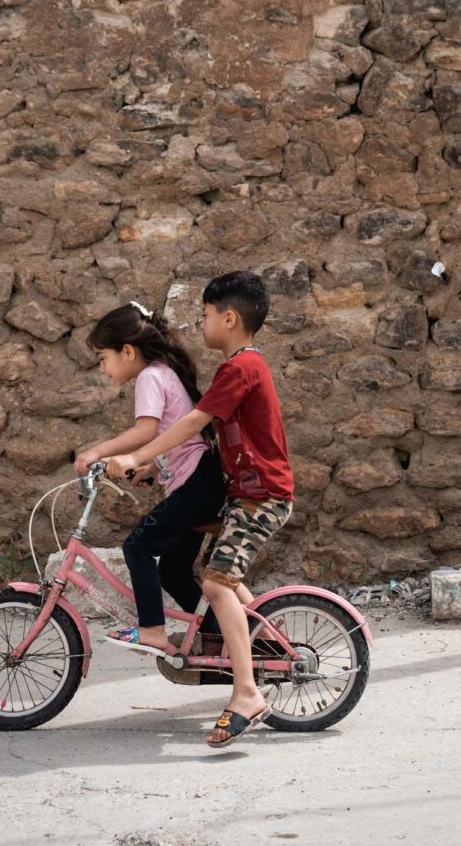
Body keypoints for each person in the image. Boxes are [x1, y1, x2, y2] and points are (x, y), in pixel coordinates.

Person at [104, 271, 294, 749]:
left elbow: (193, 422)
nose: (201, 322)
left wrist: (139, 455)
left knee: (215, 581)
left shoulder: (242, 368)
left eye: (206, 315)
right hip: (245, 493)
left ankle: (247, 693)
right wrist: (155, 469)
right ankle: (258, 644)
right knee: (210, 576)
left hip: (261, 496)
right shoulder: (236, 368)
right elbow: (207, 433)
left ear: (228, 318)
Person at [73, 301, 225, 654]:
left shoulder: (151, 376)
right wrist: (152, 468)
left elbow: (147, 430)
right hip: (201, 482)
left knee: (138, 547)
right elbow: (179, 434)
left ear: (127, 351)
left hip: (197, 484)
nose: (102, 368)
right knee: (173, 570)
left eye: (102, 358)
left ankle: (152, 630)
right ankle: (220, 639)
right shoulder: (162, 372)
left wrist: (98, 452)